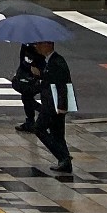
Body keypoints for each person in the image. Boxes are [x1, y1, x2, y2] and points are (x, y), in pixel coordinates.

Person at [20, 41, 74, 178]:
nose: (36, 47)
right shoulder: (49, 61)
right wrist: (39, 75)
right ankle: (65, 162)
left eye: (39, 45)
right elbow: (49, 80)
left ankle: (63, 157)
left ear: (48, 45)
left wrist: (62, 106)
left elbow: (62, 85)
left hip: (54, 105)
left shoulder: (57, 61)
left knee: (39, 128)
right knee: (57, 134)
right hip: (51, 103)